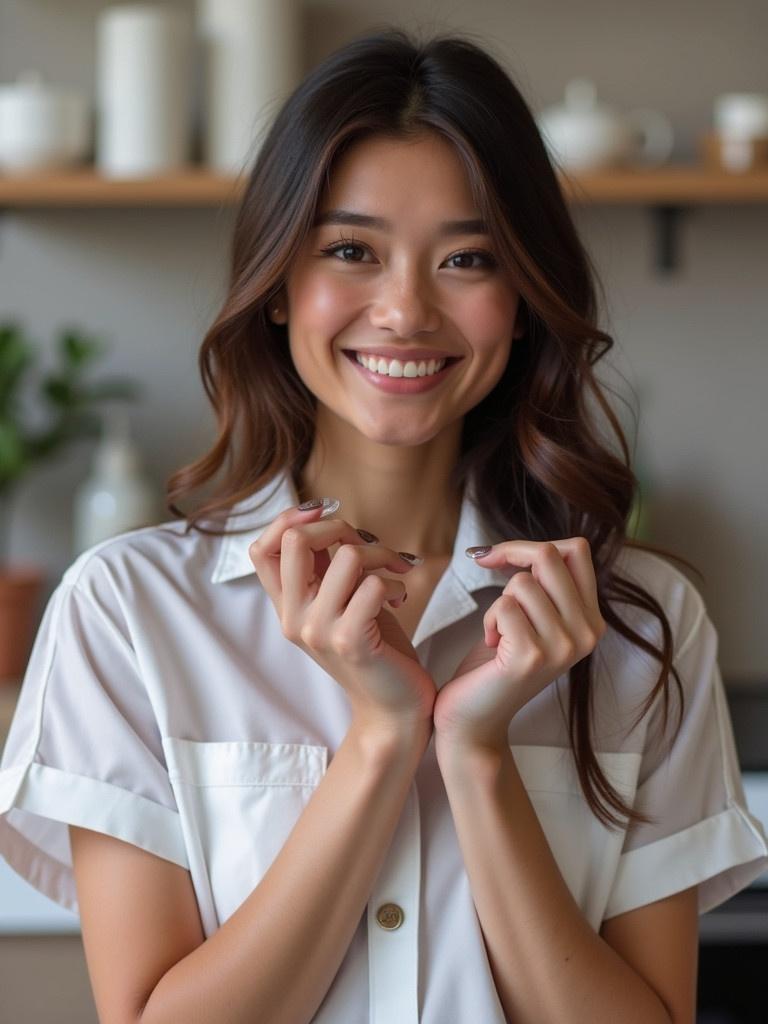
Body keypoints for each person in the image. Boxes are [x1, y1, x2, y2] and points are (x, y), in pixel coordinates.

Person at [1, 26, 766, 1024]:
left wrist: (478, 755)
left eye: (468, 258)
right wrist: (382, 738)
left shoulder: (641, 623)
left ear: (525, 300)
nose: (405, 310)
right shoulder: (129, 611)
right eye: (351, 250)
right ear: (278, 284)